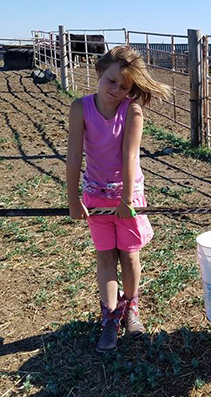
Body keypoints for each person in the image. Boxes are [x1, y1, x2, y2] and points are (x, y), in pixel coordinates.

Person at [66, 46, 171, 353]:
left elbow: (130, 156)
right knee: (105, 257)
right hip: (96, 196)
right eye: (111, 81)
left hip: (128, 198)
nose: (116, 90)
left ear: (131, 88)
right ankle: (110, 317)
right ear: (100, 73)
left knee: (129, 256)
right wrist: (74, 198)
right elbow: (74, 156)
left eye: (124, 86)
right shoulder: (80, 107)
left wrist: (126, 199)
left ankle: (132, 308)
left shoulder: (132, 111)